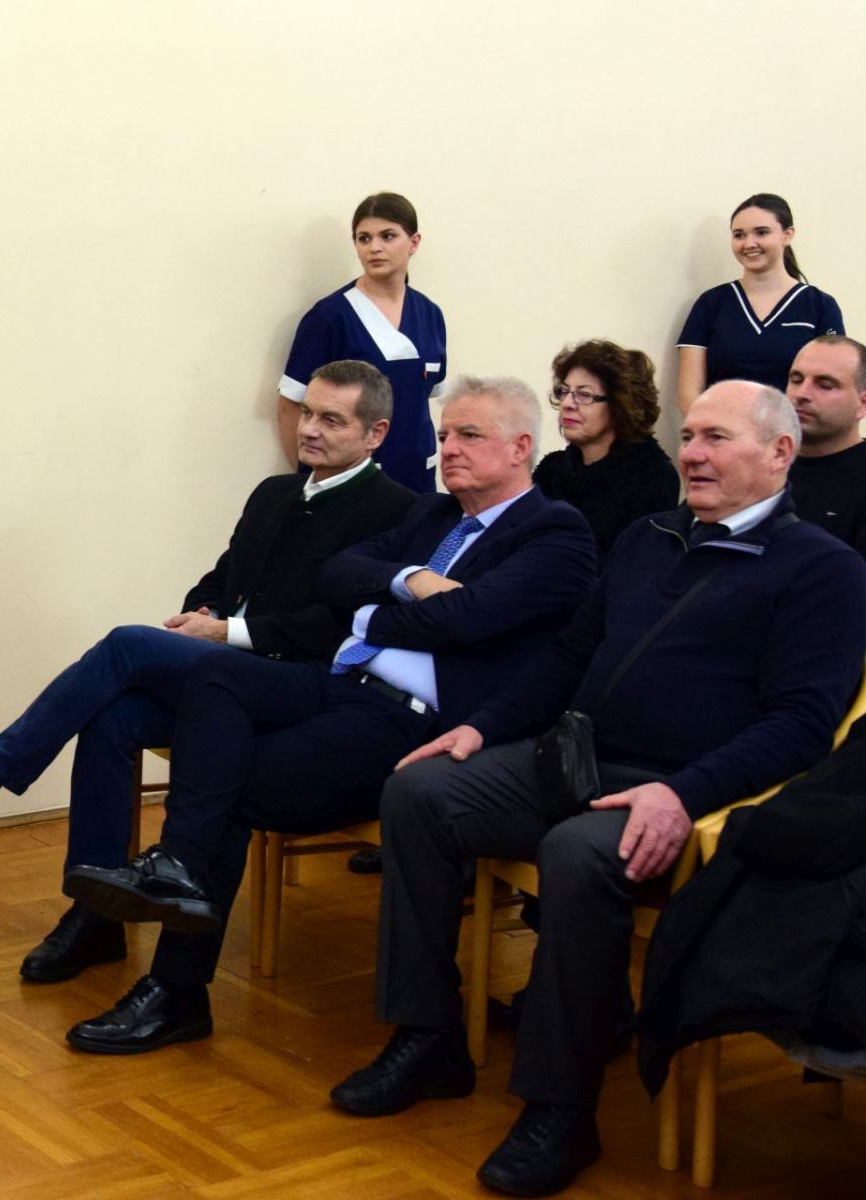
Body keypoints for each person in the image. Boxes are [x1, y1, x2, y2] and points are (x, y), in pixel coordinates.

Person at [333, 381, 866, 1197]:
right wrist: (481, 728)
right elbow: (567, 657)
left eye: (717, 438)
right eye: (690, 436)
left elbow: (800, 726)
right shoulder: (650, 537)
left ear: (779, 453)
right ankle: (428, 1037)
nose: (692, 453)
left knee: (577, 854)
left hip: (688, 791)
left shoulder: (825, 570)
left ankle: (560, 1107)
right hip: (579, 760)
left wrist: (683, 795)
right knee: (421, 792)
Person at [62, 378, 597, 1054]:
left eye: (469, 436)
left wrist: (373, 614)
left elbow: (468, 617)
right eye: (444, 436)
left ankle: (176, 984)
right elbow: (339, 572)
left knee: (226, 784)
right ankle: (174, 869)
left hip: (411, 720)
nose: (448, 450)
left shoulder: (556, 532)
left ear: (520, 448)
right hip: (343, 683)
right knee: (217, 674)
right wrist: (409, 580)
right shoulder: (436, 516)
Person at [0, 361, 415, 981]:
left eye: (332, 420)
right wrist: (204, 611)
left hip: (302, 685)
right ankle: (95, 915)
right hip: (226, 673)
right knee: (115, 718)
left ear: (376, 433)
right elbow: (222, 578)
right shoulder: (273, 493)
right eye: (307, 413)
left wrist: (227, 632)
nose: (309, 429)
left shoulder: (399, 511)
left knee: (128, 645)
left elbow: (344, 627)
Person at [276, 193, 446, 492]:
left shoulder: (429, 314)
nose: (374, 248)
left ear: (414, 242)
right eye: (364, 238)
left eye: (388, 236)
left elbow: (422, 398)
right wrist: (310, 479)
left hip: (417, 481)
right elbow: (289, 406)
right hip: (350, 484)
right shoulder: (330, 317)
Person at [676, 193, 845, 416]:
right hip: (723, 432)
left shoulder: (820, 306)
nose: (749, 243)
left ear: (787, 235)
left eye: (762, 232)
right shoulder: (711, 304)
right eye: (739, 235)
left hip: (794, 434)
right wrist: (718, 431)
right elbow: (689, 393)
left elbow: (830, 385)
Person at [533, 340, 679, 556]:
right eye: (564, 391)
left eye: (584, 395)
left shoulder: (653, 476)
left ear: (621, 405)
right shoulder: (552, 469)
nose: (566, 404)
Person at [787, 334, 866, 554]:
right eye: (796, 380)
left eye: (825, 385)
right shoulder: (758, 464)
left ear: (863, 404)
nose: (802, 394)